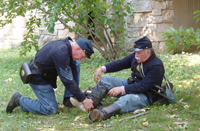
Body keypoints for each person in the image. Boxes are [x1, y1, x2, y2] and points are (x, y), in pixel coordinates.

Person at [71, 36, 165, 122]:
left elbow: (144, 86)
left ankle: (101, 114)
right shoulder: (135, 56)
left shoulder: (156, 65)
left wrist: (122, 89)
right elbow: (120, 64)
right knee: (107, 79)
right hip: (131, 85)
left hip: (145, 94)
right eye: (135, 52)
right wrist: (102, 68)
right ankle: (89, 103)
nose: (136, 55)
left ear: (148, 51)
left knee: (126, 99)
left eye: (139, 53)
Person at [6, 37, 95, 115]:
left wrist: (77, 97)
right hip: (38, 77)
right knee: (51, 109)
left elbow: (74, 72)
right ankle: (19, 100)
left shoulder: (68, 46)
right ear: (78, 49)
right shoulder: (61, 53)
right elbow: (67, 80)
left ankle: (68, 99)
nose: (83, 60)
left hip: (47, 74)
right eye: (83, 56)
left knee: (76, 64)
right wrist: (84, 100)